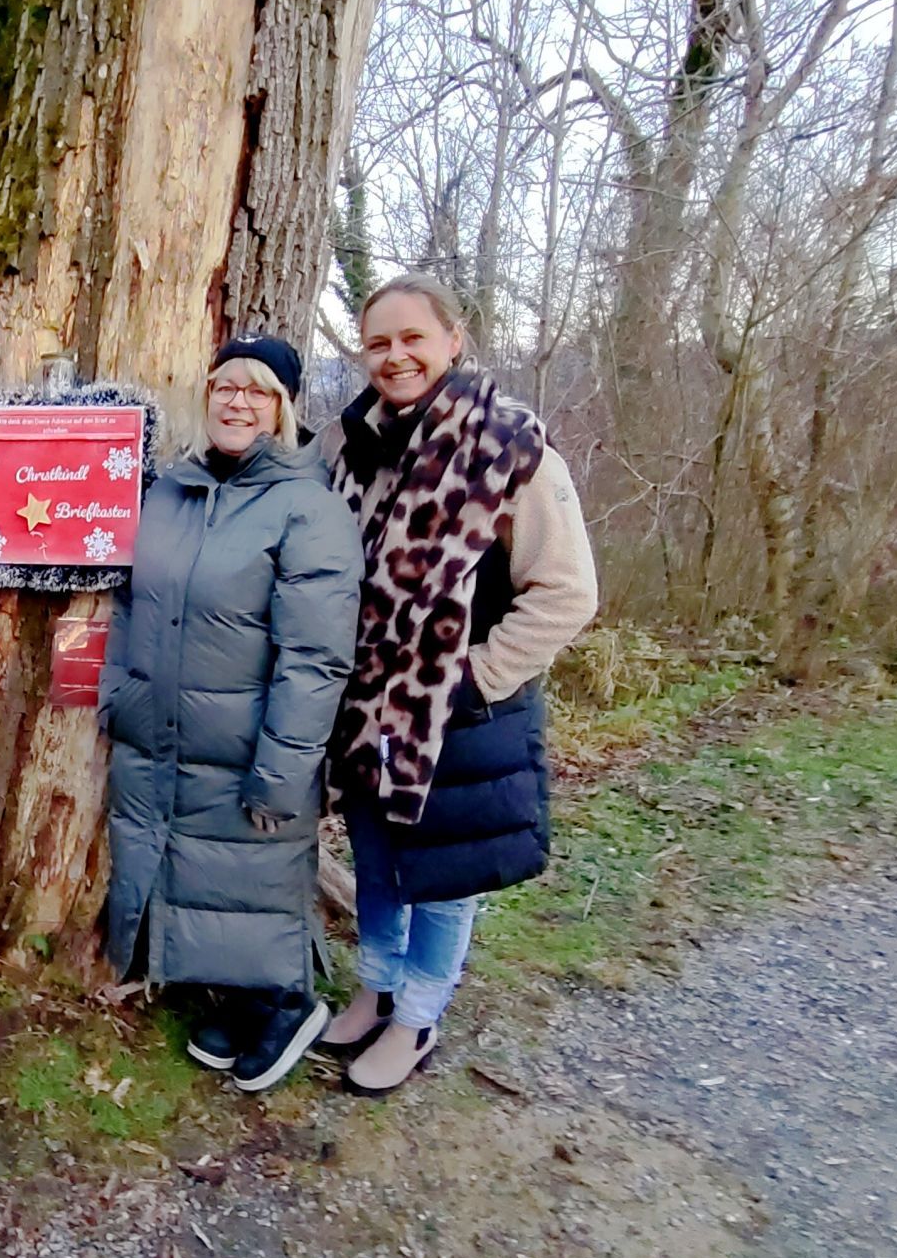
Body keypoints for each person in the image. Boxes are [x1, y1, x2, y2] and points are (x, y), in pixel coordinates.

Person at [313, 273, 597, 1093]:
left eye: (412, 339)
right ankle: (375, 991)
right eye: (378, 343)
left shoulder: (511, 446)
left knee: (443, 877)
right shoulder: (350, 444)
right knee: (376, 858)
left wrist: (475, 678)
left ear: (453, 341)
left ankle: (417, 1020)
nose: (395, 356)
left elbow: (568, 592)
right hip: (366, 706)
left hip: (461, 715)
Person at [103, 336, 361, 1093]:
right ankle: (239, 997)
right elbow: (125, 600)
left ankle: (288, 1001)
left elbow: (315, 658)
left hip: (250, 741)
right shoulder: (171, 492)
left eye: (257, 391)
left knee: (256, 869)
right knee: (201, 870)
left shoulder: (307, 506)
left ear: (282, 408)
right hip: (165, 731)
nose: (237, 402)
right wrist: (119, 690)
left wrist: (284, 770)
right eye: (224, 387)